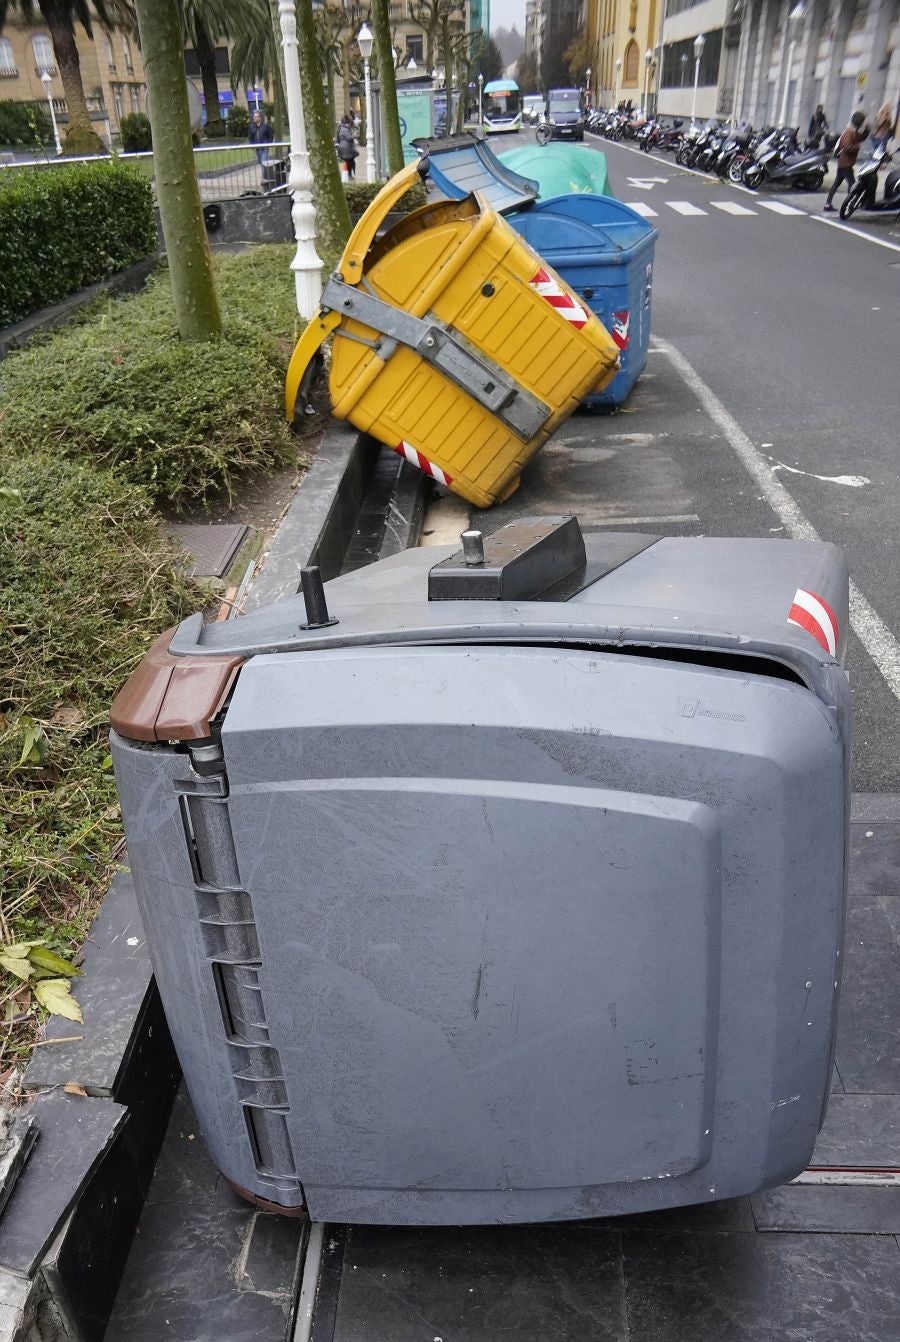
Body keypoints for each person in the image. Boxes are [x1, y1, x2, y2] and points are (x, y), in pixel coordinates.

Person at [824, 110, 868, 211]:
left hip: (843, 163)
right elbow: (847, 147)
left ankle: (828, 204)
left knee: (837, 184)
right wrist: (857, 147)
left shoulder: (853, 132)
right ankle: (851, 203)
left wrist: (866, 131)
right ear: (859, 122)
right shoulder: (849, 132)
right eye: (862, 122)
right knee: (852, 185)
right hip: (846, 164)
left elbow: (860, 138)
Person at [336, 113, 358, 180]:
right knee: (351, 162)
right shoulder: (345, 129)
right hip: (347, 148)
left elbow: (338, 139)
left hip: (344, 147)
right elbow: (349, 138)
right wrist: (354, 136)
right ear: (348, 122)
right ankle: (350, 175)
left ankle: (350, 174)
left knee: (350, 161)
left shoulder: (340, 128)